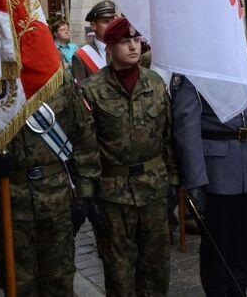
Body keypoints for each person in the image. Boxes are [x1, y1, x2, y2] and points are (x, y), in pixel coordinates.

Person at [0, 72, 101, 296]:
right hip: (8, 202)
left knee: (60, 281)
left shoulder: (55, 76)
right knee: (18, 284)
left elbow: (83, 135)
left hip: (57, 200)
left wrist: (83, 194)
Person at [80, 17, 179, 297]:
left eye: (136, 41)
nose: (133, 47)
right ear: (109, 47)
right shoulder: (93, 90)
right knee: (118, 271)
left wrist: (174, 181)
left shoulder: (155, 83)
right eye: (125, 42)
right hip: (113, 196)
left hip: (154, 190)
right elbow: (86, 148)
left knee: (157, 267)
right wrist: (88, 196)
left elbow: (168, 137)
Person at [171, 46, 247, 296]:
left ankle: (242, 290)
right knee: (217, 251)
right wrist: (196, 181)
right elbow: (187, 126)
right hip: (216, 170)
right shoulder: (194, 61)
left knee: (246, 245)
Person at [71, 0, 117, 82]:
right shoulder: (81, 56)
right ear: (93, 26)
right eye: (106, 21)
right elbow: (81, 91)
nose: (112, 25)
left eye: (113, 21)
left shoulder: (123, 49)